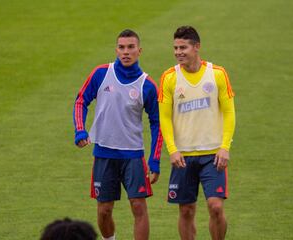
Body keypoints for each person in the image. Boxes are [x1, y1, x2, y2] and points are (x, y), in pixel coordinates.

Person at [73, 29, 162, 240]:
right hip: (104, 154)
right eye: (122, 47)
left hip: (133, 155)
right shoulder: (101, 74)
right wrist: (80, 130)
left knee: (138, 206)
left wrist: (154, 159)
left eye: (131, 47)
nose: (126, 52)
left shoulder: (147, 85)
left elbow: (158, 124)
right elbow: (80, 101)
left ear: (139, 51)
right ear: (116, 49)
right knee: (104, 210)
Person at [158, 26, 236, 240]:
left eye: (183, 47)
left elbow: (229, 112)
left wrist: (225, 147)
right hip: (183, 156)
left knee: (216, 207)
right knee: (186, 210)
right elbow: (164, 117)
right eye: (175, 48)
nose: (178, 52)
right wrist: (172, 150)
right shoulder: (169, 77)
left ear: (197, 47)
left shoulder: (217, 74)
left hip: (213, 155)